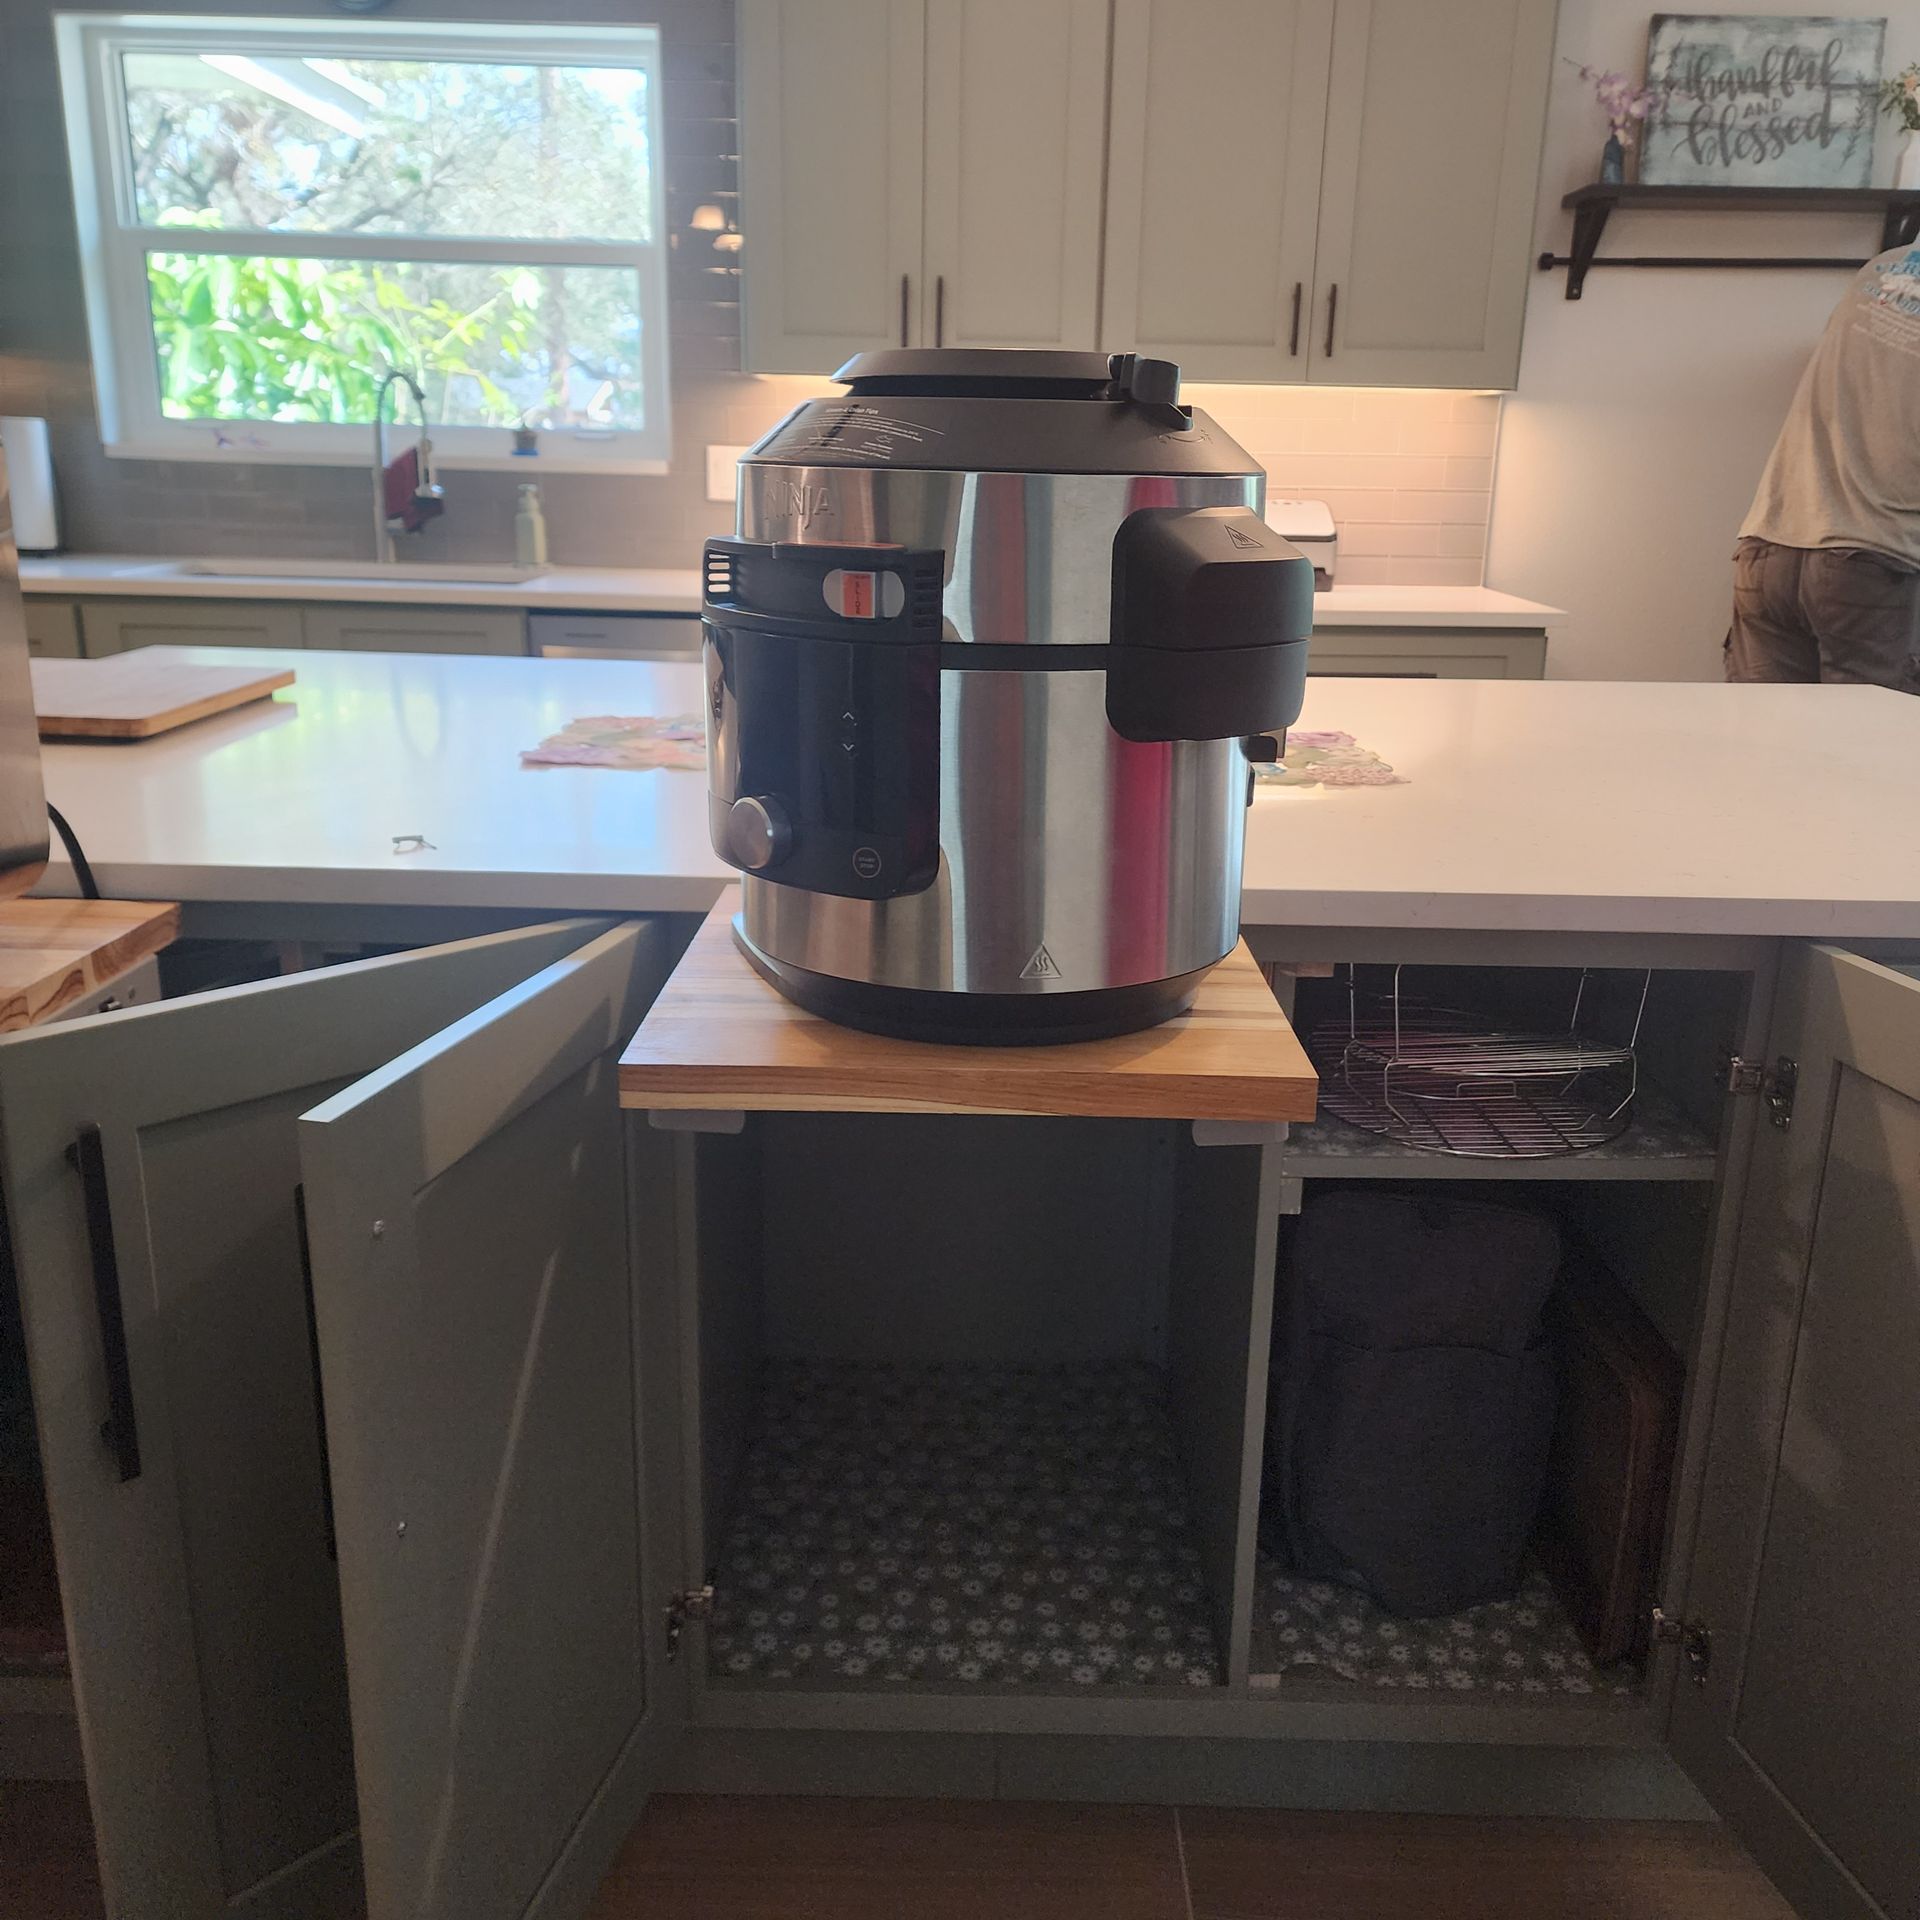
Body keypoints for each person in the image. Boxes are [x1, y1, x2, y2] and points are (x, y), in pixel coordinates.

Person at [1726, 239, 1920, 690]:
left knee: (1761, 747)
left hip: (1770, 546)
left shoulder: (1880, 270)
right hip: (1872, 565)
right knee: (1865, 754)